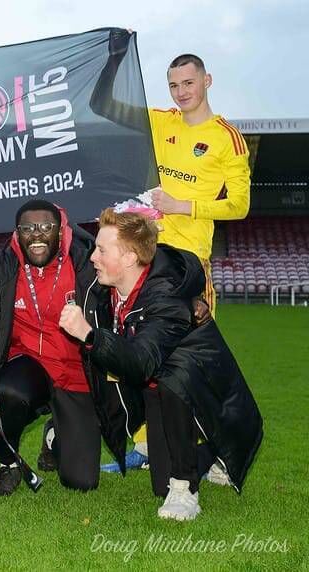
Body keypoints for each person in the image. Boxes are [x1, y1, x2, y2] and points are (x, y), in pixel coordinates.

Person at [91, 34, 251, 471]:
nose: (181, 93)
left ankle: (215, 451)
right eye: (174, 85)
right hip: (147, 258)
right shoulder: (163, 121)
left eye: (188, 83)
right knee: (142, 355)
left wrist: (184, 205)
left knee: (190, 361)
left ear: (207, 81)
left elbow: (240, 205)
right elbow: (104, 105)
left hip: (189, 266)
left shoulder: (227, 139)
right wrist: (113, 59)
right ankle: (146, 446)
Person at [60, 209, 262, 520]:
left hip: (188, 383)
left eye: (102, 250)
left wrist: (89, 335)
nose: (93, 258)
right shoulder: (107, 280)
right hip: (150, 386)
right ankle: (210, 452)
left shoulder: (165, 298)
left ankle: (187, 486)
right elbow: (73, 245)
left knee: (171, 379)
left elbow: (142, 362)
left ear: (129, 258)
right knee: (158, 484)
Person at [0, 199, 141, 496]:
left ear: (61, 230)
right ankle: (8, 462)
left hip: (77, 374)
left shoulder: (89, 265)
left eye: (46, 227)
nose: (36, 235)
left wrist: (189, 290)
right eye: (27, 228)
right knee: (9, 393)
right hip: (29, 366)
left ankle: (54, 435)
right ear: (16, 233)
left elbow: (149, 268)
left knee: (81, 481)